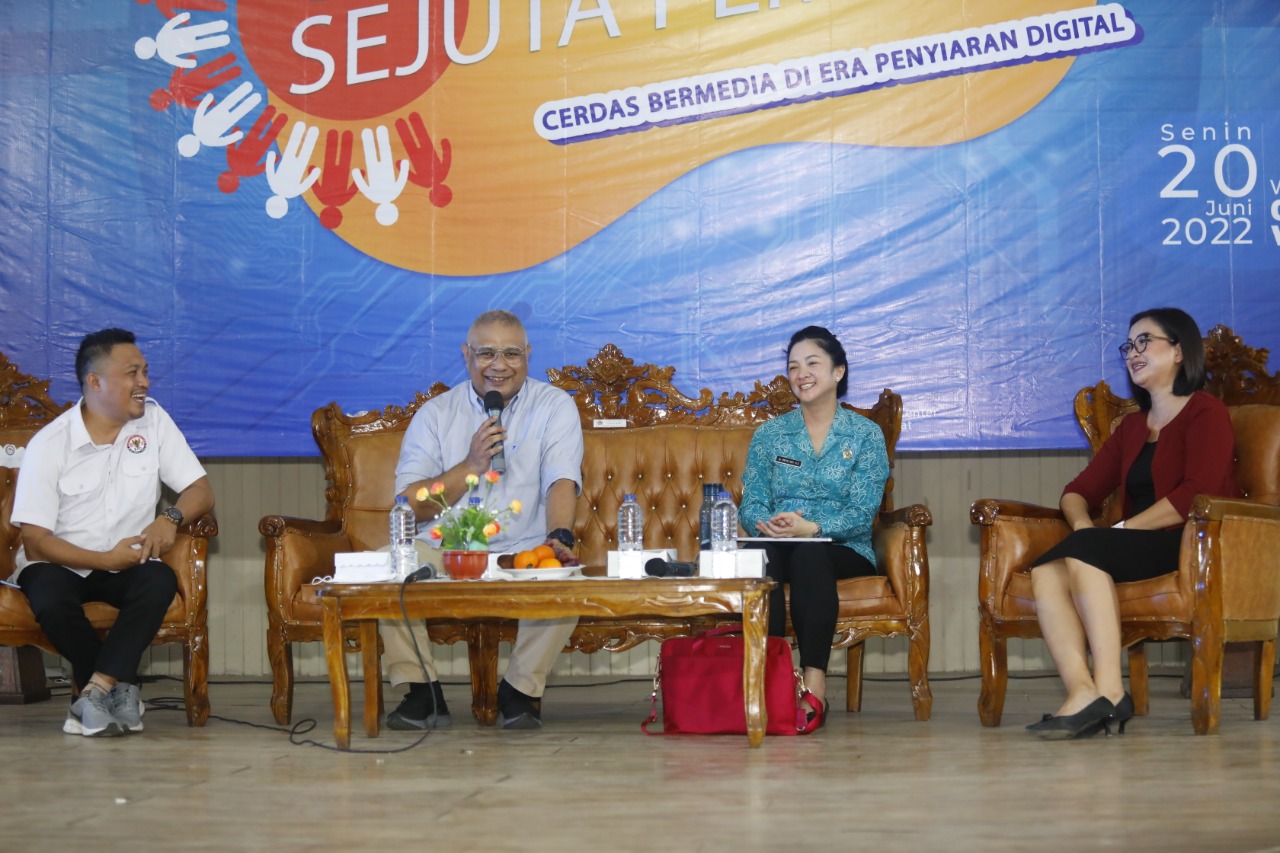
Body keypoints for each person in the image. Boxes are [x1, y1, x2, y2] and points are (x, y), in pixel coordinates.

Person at [1027, 308, 1239, 739]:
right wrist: (1084, 527)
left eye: (1145, 341)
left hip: (1186, 541)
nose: (1132, 353)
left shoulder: (1206, 412)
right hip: (1129, 544)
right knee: (1046, 570)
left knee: (1087, 552)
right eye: (1128, 345)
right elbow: (1076, 491)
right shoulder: (1132, 427)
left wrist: (1118, 532)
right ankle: (1082, 692)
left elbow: (1195, 494)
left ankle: (1109, 690)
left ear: (1178, 351)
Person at [380, 310, 584, 730]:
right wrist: (470, 466)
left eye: (511, 353)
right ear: (466, 355)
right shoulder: (436, 414)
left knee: (566, 578)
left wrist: (559, 538)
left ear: (528, 354)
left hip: (522, 547)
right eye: (487, 353)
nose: (499, 365)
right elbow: (408, 504)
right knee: (388, 566)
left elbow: (561, 480)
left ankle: (520, 691)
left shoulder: (554, 405)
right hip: (445, 548)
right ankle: (422, 692)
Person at [11, 328, 215, 737]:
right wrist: (103, 559)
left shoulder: (154, 422)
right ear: (95, 381)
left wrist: (169, 517)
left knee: (159, 579)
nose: (145, 382)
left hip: (128, 563)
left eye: (145, 372)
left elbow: (200, 490)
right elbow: (35, 541)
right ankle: (122, 687)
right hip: (60, 562)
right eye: (132, 373)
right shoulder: (50, 444)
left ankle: (94, 693)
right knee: (49, 595)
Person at [739, 326, 889, 729]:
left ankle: (814, 684)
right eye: (793, 366)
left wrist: (812, 527)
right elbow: (751, 502)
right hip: (779, 542)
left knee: (810, 552)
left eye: (811, 363)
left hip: (843, 547)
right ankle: (766, 683)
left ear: (838, 371)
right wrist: (767, 524)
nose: (801, 373)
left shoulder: (865, 435)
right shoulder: (770, 435)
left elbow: (862, 512)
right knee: (757, 559)